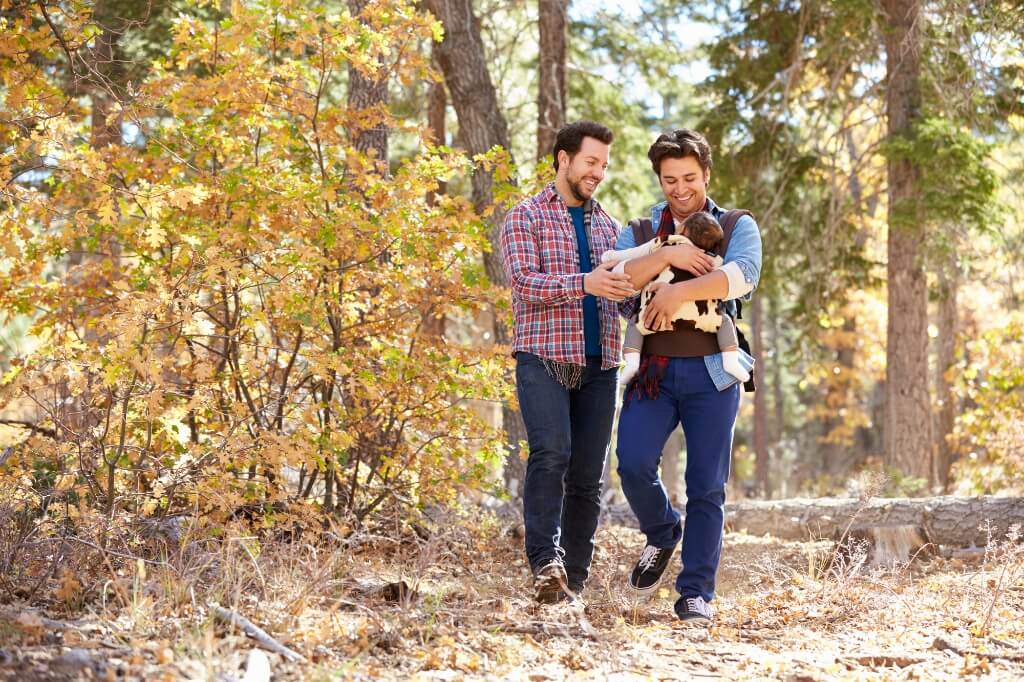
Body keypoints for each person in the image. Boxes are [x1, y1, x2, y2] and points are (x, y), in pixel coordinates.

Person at [612, 128, 762, 623]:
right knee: (631, 462)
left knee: (706, 485)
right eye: (669, 179)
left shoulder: (736, 222)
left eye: (689, 178)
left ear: (707, 174)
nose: (679, 189)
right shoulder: (639, 230)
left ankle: (696, 592)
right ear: (659, 178)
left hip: (713, 374)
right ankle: (661, 532)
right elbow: (617, 284)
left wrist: (677, 293)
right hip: (651, 373)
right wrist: (666, 257)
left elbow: (743, 274)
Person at [499, 121, 634, 604]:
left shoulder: (611, 227)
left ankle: (573, 578)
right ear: (564, 158)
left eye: (604, 165)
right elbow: (525, 285)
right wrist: (584, 282)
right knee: (551, 454)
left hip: (601, 365)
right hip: (543, 357)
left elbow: (621, 300)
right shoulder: (525, 216)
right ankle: (544, 564)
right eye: (590, 162)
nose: (598, 172)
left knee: (587, 475)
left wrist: (644, 288)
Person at [601, 211, 750, 385]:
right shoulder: (711, 259)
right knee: (724, 321)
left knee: (636, 324)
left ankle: (632, 365)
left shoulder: (664, 243)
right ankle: (731, 361)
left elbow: (634, 253)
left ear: (683, 229)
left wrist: (610, 256)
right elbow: (731, 276)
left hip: (655, 313)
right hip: (703, 316)